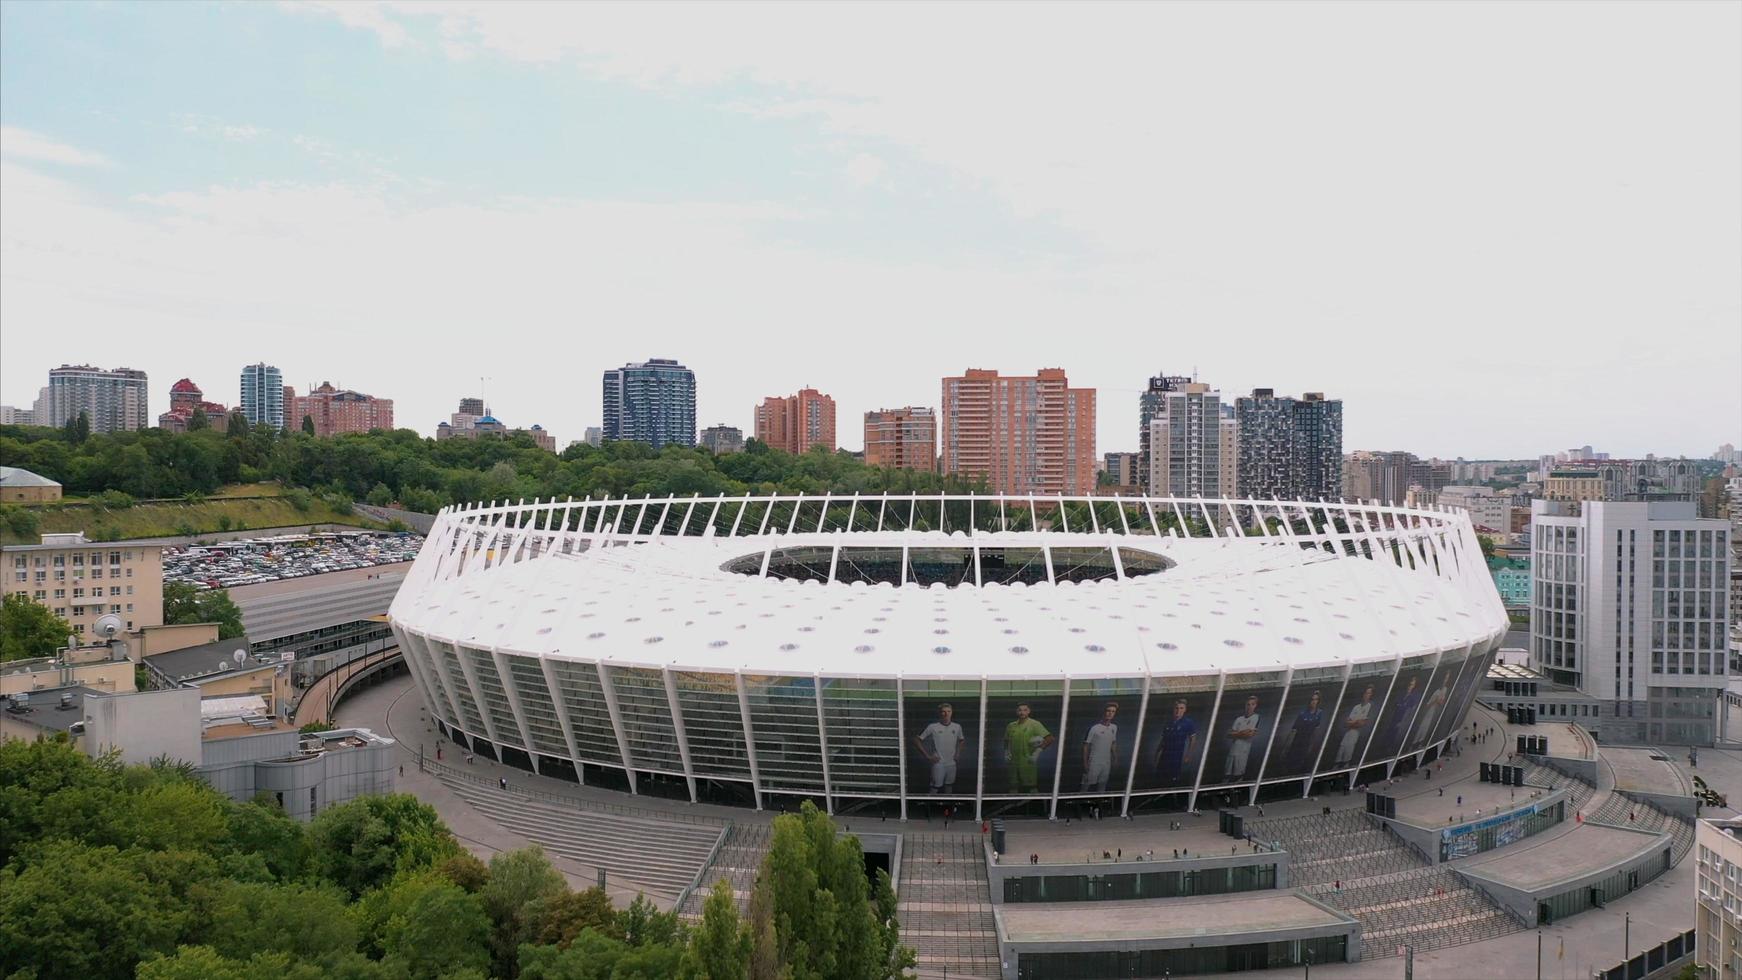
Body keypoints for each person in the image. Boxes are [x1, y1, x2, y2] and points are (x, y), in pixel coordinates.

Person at [1003, 702, 1056, 794]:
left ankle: (1035, 805)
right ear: (1016, 712)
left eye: (1025, 710)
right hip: (1013, 762)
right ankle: (1013, 806)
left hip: (1027, 761)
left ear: (1029, 711)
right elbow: (1006, 739)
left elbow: (1050, 739)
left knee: (1031, 789)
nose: (1022, 712)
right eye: (1019, 710)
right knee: (1013, 788)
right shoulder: (1011, 726)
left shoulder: (1034, 724)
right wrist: (1006, 751)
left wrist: (1037, 752)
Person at [914, 702, 967, 794]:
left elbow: (962, 740)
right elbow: (916, 740)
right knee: (936, 786)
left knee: (949, 786)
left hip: (951, 763)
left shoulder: (957, 727)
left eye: (948, 711)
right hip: (938, 763)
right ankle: (930, 805)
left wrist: (958, 753)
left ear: (952, 712)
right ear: (939, 713)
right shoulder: (933, 727)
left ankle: (947, 806)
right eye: (943, 712)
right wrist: (928, 757)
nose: (946, 714)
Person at [1153, 698, 1199, 787]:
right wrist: (1157, 753)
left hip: (1176, 756)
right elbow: (1163, 740)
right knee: (1160, 779)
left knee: (1173, 780)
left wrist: (1188, 755)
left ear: (1185, 709)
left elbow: (1193, 739)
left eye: (1181, 708)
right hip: (1164, 755)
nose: (1178, 710)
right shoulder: (1169, 722)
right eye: (1176, 708)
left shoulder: (1188, 722)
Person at [1280, 690, 1326, 773]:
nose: (1313, 702)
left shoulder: (1319, 713)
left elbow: (1317, 731)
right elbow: (1293, 731)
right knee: (1291, 762)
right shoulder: (1302, 713)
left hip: (1308, 742)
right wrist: (1286, 747)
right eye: (1312, 699)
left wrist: (1312, 745)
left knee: (1302, 763)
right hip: (1297, 741)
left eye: (1316, 699)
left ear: (1318, 701)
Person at [1081, 701, 1121, 793]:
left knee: (1102, 787)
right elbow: (1086, 746)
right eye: (1108, 711)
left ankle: (1098, 806)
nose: (1110, 713)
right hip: (1094, 762)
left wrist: (1115, 759)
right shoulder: (1094, 728)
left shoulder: (1114, 727)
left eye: (1113, 711)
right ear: (1104, 712)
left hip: (1106, 763)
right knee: (1085, 786)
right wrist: (1085, 763)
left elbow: (1113, 743)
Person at [1222, 695, 1264, 780]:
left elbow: (1249, 735)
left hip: (1243, 752)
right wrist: (1242, 733)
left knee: (1238, 777)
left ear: (1255, 705)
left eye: (1252, 704)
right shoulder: (1239, 719)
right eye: (1248, 704)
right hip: (1233, 750)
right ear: (1245, 705)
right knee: (1226, 775)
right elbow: (1228, 734)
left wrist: (1236, 733)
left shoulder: (1256, 717)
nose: (1249, 706)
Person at [1333, 685, 1376, 766]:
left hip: (1359, 732)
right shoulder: (1356, 707)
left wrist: (1354, 722)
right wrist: (1355, 722)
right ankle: (1337, 765)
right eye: (1365, 693)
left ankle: (1346, 764)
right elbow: (1347, 722)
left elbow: (1363, 723)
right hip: (1349, 730)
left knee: (1350, 747)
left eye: (1369, 693)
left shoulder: (1370, 706)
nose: (1366, 695)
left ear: (1372, 695)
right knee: (1342, 746)